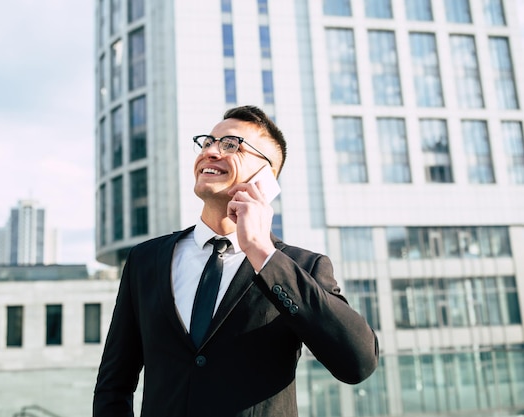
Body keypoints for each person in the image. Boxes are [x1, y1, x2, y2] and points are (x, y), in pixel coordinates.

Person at [93, 105, 379, 417]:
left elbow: (358, 363)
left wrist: (261, 251)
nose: (211, 151)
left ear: (265, 177)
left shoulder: (303, 266)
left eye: (230, 145)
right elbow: (114, 384)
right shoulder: (145, 260)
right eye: (207, 142)